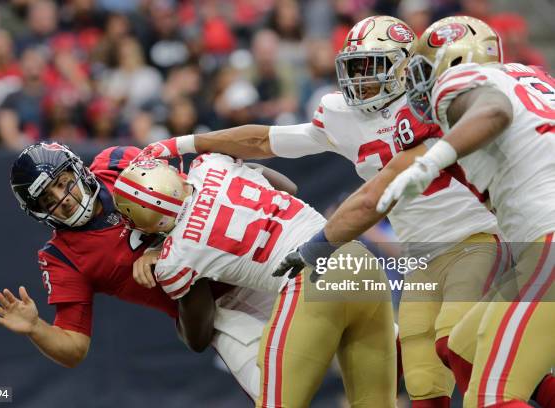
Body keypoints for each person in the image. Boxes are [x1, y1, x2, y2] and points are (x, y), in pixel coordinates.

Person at [143, 15, 502, 408]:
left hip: (479, 237)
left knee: (464, 352)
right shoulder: (341, 114)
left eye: (373, 66)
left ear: (404, 66)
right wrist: (185, 142)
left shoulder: (434, 96)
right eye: (355, 66)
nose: (360, 78)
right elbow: (265, 141)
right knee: (420, 378)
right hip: (422, 256)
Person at [0, 142, 279, 399]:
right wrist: (37, 328)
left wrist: (160, 249)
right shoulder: (62, 256)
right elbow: (74, 348)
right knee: (278, 394)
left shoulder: (116, 163)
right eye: (48, 200)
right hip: (220, 312)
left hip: (246, 255)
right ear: (39, 212)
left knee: (322, 305)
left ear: (78, 169)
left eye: (63, 182)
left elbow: (194, 196)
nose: (64, 199)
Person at [113, 152, 397, 407]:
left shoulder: (176, 258)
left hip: (311, 278)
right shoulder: (210, 164)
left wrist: (162, 257)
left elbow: (198, 336)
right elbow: (288, 187)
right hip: (358, 259)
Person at [375, 16, 555, 408]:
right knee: (463, 346)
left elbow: (494, 112)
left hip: (549, 241)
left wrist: (427, 165)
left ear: (453, 61)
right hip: (538, 243)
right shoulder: (532, 77)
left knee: (492, 397)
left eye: (424, 69)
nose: (418, 86)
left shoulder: (462, 85)